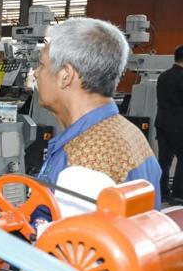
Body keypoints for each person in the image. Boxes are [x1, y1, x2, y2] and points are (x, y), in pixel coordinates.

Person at [34, 17, 161, 207]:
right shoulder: (128, 133)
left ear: (65, 76)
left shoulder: (86, 162)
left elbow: (65, 235)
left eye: (42, 65)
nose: (36, 73)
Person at [156, 45, 183, 204]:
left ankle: (163, 192)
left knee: (164, 160)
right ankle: (179, 194)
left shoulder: (163, 76)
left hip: (162, 123)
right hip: (179, 124)